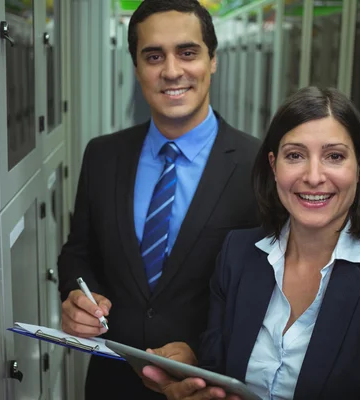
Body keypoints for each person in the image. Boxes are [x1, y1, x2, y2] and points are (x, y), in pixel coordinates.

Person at [142, 86, 360, 400]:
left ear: (359, 168)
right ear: (273, 165)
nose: (314, 176)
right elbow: (218, 373)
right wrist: (193, 376)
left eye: (334, 156)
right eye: (295, 156)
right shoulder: (236, 255)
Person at [56, 0, 260, 398]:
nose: (171, 71)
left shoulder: (257, 165)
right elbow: (78, 251)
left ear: (213, 60)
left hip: (205, 385)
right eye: (153, 56)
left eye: (187, 52)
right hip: (111, 381)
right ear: (136, 67)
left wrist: (203, 350)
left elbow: (267, 290)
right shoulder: (102, 156)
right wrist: (77, 295)